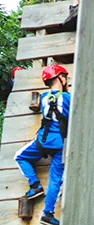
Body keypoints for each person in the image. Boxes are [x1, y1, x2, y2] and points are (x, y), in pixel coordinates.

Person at [14, 65, 70, 225]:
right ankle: (47, 214)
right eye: (65, 77)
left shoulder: (44, 97)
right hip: (60, 143)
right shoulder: (68, 99)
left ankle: (35, 185)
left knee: (20, 157)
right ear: (61, 78)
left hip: (42, 141)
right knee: (56, 178)